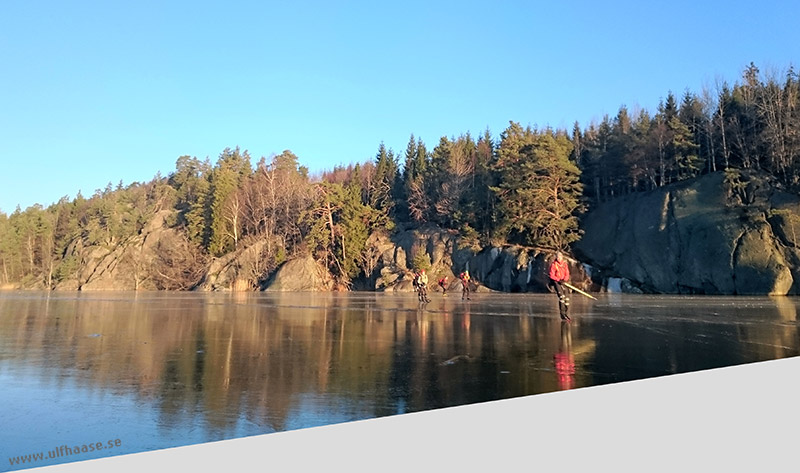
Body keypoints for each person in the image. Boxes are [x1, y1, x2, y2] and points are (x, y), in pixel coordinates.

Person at [549, 251, 571, 321]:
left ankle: (566, 312)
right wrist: (558, 280)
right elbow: (551, 275)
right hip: (557, 282)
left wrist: (565, 279)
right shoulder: (554, 265)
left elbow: (567, 273)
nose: (559, 258)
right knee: (562, 297)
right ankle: (562, 314)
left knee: (567, 298)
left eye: (560, 257)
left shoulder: (564, 264)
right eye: (557, 257)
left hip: (564, 282)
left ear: (562, 257)